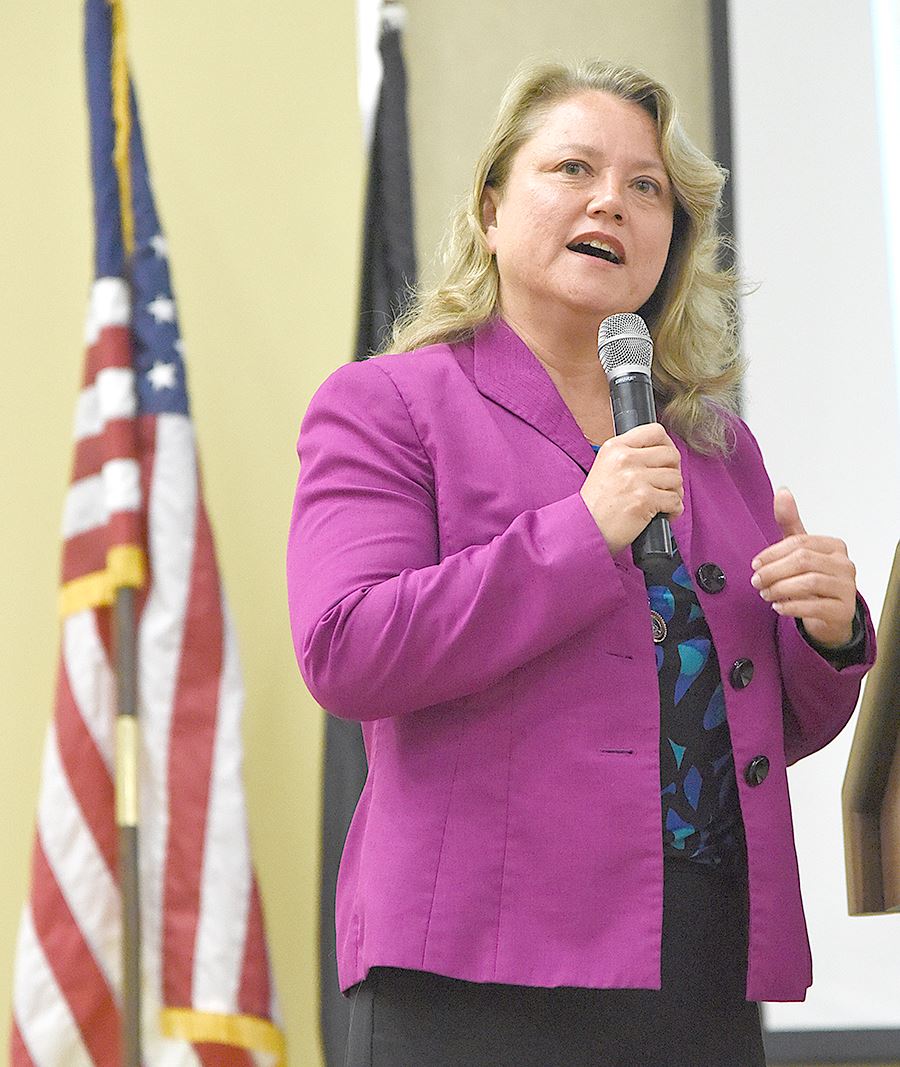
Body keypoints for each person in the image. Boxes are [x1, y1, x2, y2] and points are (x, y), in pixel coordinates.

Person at [286, 59, 876, 1067]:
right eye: (573, 168)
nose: (612, 201)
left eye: (647, 186)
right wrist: (581, 530)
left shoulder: (716, 447)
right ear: (490, 207)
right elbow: (346, 648)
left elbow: (741, 724)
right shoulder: (389, 405)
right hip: (476, 972)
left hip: (697, 961)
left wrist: (826, 633)